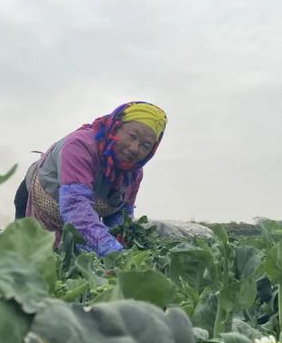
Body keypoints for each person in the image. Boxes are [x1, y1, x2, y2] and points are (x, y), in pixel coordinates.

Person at [14, 101, 167, 256]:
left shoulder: (133, 174)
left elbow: (121, 215)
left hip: (79, 219)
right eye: (132, 136)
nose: (134, 148)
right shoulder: (80, 147)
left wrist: (120, 240)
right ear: (116, 127)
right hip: (39, 201)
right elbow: (76, 207)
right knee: (30, 261)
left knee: (77, 265)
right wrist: (112, 251)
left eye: (145, 146)